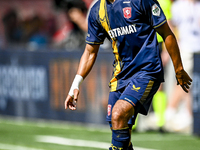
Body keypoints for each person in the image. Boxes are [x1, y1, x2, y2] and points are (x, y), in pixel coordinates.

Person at [65, 0, 192, 149]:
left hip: (147, 70)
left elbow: (167, 33)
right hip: (121, 75)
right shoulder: (97, 11)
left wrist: (178, 69)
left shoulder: (140, 1)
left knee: (118, 113)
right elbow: (90, 51)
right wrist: (75, 84)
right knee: (117, 125)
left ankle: (161, 122)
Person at [165, 0, 200, 132]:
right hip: (185, 48)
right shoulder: (178, 6)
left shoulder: (197, 6)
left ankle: (188, 113)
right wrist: (175, 43)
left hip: (197, 48)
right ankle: (171, 111)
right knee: (184, 80)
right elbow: (170, 24)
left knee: (194, 83)